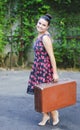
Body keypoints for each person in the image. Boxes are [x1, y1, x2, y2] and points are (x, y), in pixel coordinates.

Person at [27, 13, 59, 126]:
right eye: (39, 23)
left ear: (47, 27)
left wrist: (55, 73)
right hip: (38, 68)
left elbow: (52, 56)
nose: (40, 26)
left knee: (45, 93)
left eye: (43, 25)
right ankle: (45, 115)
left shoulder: (45, 38)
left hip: (45, 69)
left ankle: (54, 113)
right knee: (40, 94)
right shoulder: (40, 36)